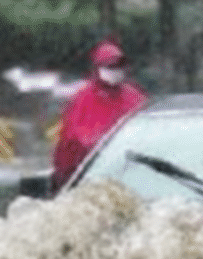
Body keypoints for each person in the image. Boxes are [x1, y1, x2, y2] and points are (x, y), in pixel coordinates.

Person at [51, 38, 148, 195]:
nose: (115, 70)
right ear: (98, 68)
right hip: (92, 180)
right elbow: (69, 144)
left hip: (133, 176)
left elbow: (146, 136)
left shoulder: (135, 97)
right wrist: (62, 178)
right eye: (110, 66)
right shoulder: (82, 100)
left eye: (119, 65)